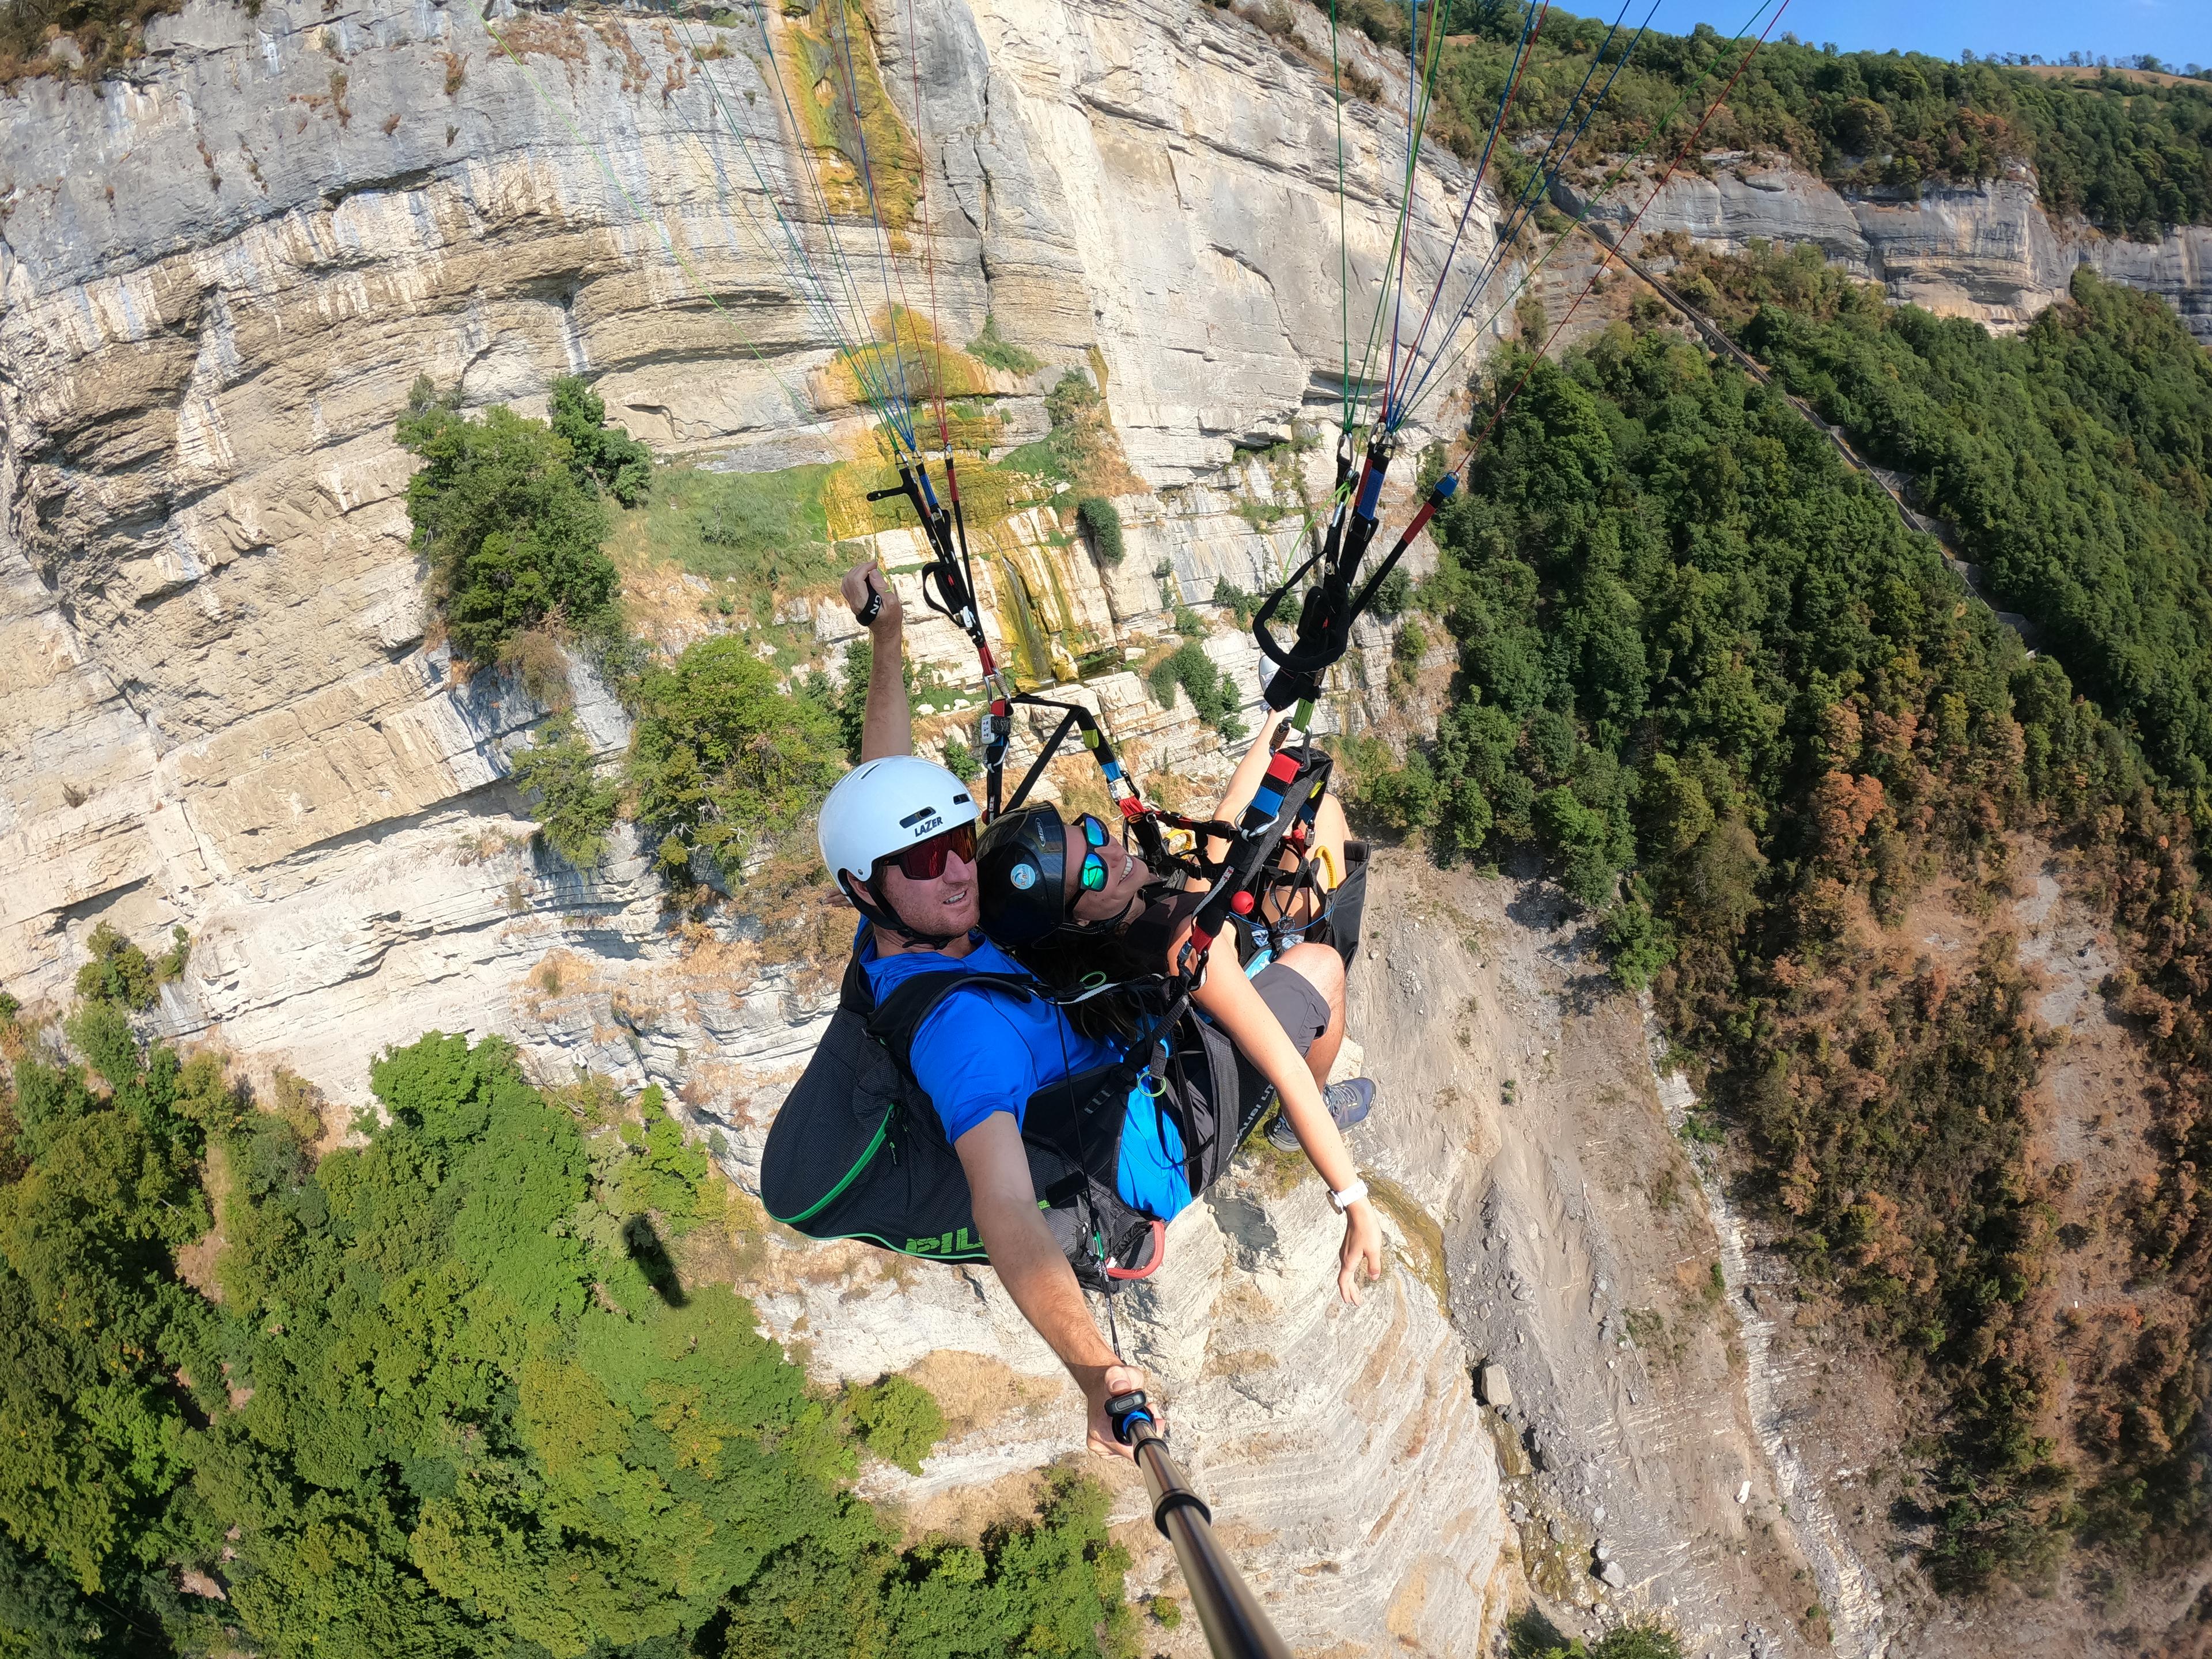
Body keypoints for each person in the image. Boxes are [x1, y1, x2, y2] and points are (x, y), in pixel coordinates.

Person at [808, 561, 1382, 1460]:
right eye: (926, 865)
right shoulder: (965, 1036)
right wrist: (1092, 1369)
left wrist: (886, 638)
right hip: (1143, 1150)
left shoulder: (916, 924)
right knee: (1319, 965)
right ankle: (1276, 1124)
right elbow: (1004, 1211)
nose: (956, 872)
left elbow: (884, 775)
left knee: (1231, 879)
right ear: (865, 888)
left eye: (958, 844)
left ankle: (1272, 736)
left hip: (1110, 1048)